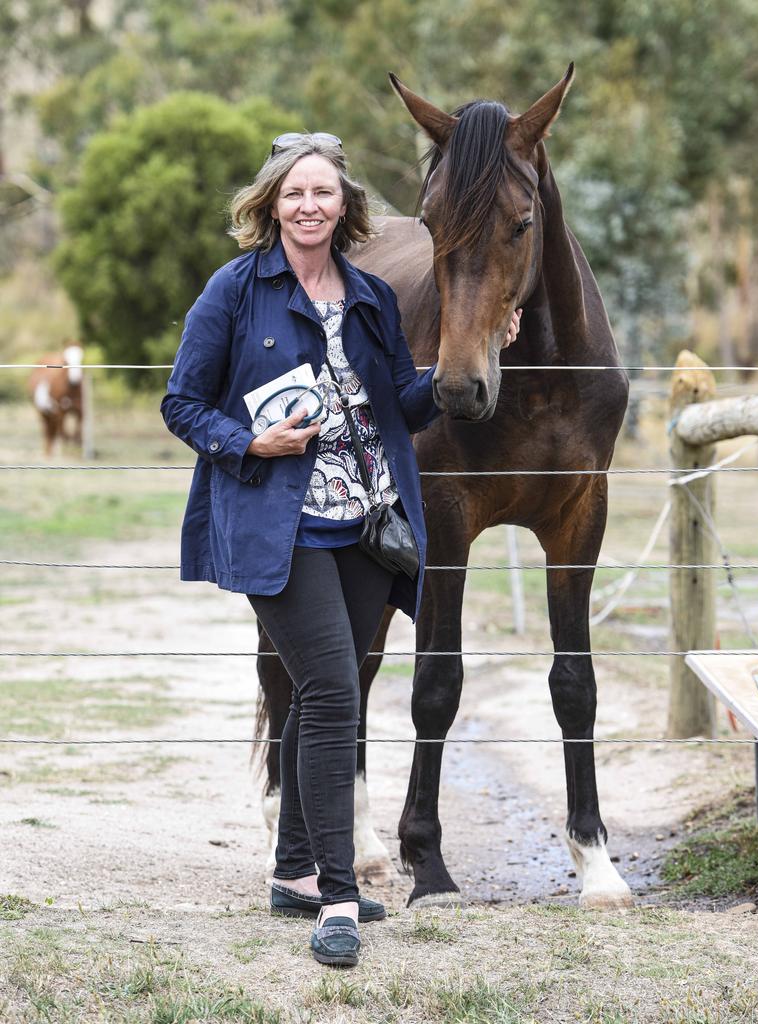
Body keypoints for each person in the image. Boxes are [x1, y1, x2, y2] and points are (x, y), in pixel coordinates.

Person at [161, 132, 522, 967]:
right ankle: (335, 894)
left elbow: (401, 397)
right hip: (276, 522)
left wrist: (468, 361)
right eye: (294, 194)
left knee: (329, 691)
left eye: (323, 193)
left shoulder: (366, 295)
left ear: (344, 205)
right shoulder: (235, 291)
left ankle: (290, 873)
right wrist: (253, 445)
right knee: (331, 692)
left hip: (366, 522)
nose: (309, 206)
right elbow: (182, 405)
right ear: (271, 204)